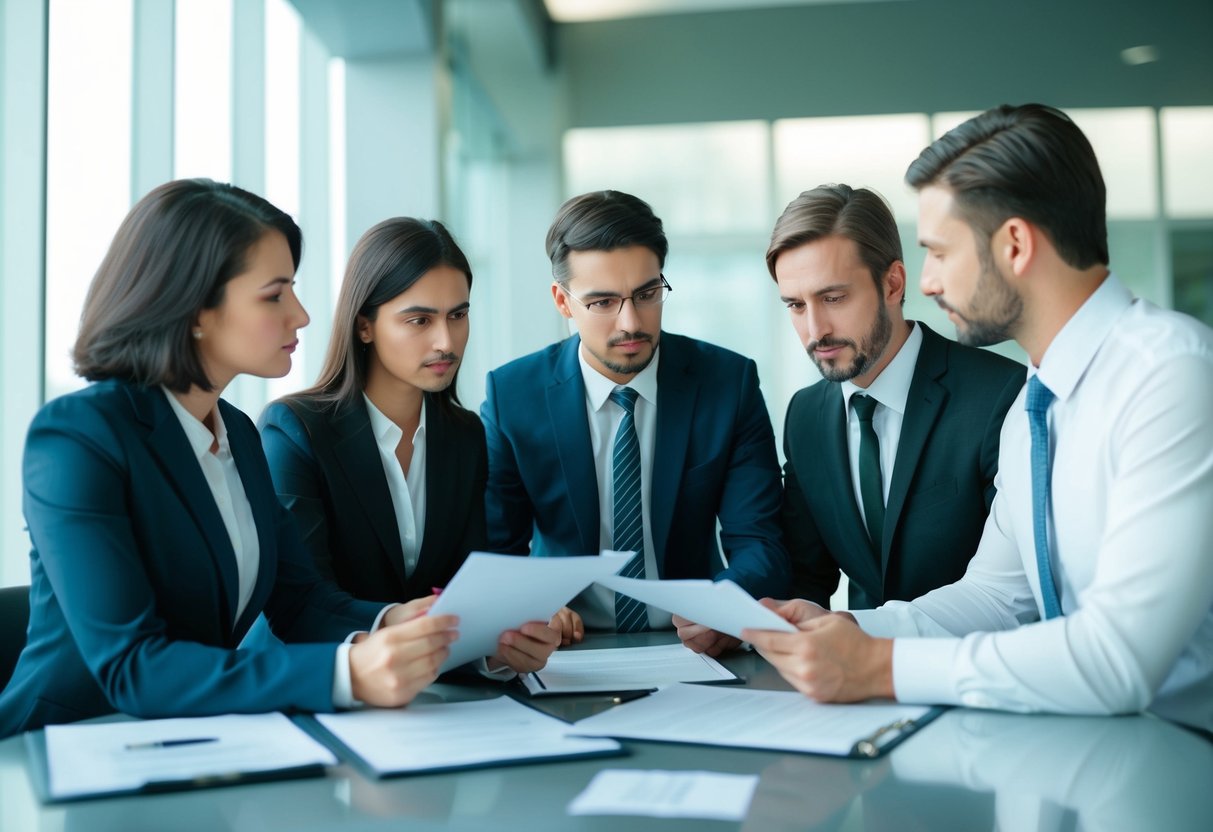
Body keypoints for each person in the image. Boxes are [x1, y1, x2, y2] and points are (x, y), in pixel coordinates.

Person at [745, 104, 1213, 733]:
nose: (928, 283)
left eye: (939, 251)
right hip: (1084, 749)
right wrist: (850, 629)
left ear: (1014, 245)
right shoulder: (1034, 405)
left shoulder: (1170, 375)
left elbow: (1118, 657)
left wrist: (880, 668)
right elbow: (996, 597)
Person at [0, 180, 459, 739]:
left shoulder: (237, 431)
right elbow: (131, 666)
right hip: (63, 754)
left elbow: (299, 600)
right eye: (275, 295)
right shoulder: (79, 436)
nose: (303, 315)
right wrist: (347, 673)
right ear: (193, 308)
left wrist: (399, 623)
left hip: (194, 744)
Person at [481, 190, 789, 653]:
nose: (631, 322)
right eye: (602, 302)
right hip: (561, 651)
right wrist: (526, 607)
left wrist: (724, 604)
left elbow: (762, 542)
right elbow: (493, 554)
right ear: (563, 303)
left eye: (646, 294)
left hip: (696, 644)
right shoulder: (513, 396)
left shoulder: (727, 383)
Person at [259, 217, 558, 674]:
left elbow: (462, 592)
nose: (446, 341)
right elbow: (303, 603)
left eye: (458, 315)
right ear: (364, 326)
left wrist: (497, 648)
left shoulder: (464, 436)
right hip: (309, 685)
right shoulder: (295, 431)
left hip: (423, 695)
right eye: (419, 320)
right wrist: (392, 621)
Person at [769, 184, 1024, 609]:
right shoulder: (805, 416)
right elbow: (805, 578)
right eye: (796, 305)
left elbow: (1015, 594)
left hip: (969, 665)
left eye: (833, 298)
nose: (815, 331)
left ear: (892, 283)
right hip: (851, 671)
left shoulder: (999, 396)